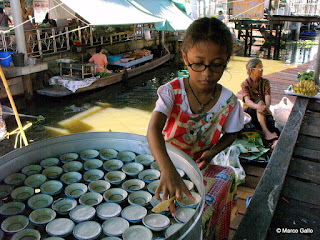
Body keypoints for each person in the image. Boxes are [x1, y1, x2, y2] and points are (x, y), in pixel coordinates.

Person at [147, 17, 244, 239]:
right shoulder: (172, 92)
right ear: (185, 58)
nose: (207, 74)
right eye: (198, 64)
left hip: (198, 167)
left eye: (216, 64)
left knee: (189, 213)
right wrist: (167, 169)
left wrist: (211, 152)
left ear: (226, 61)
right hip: (164, 160)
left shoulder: (229, 102)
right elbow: (153, 130)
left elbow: (232, 134)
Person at [241, 58, 280, 149]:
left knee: (267, 116)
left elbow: (267, 96)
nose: (262, 70)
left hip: (262, 111)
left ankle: (273, 139)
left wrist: (266, 107)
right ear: (252, 70)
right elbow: (247, 101)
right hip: (250, 110)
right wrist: (258, 106)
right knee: (260, 102)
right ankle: (267, 133)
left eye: (262, 67)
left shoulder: (265, 82)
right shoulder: (245, 84)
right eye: (260, 68)